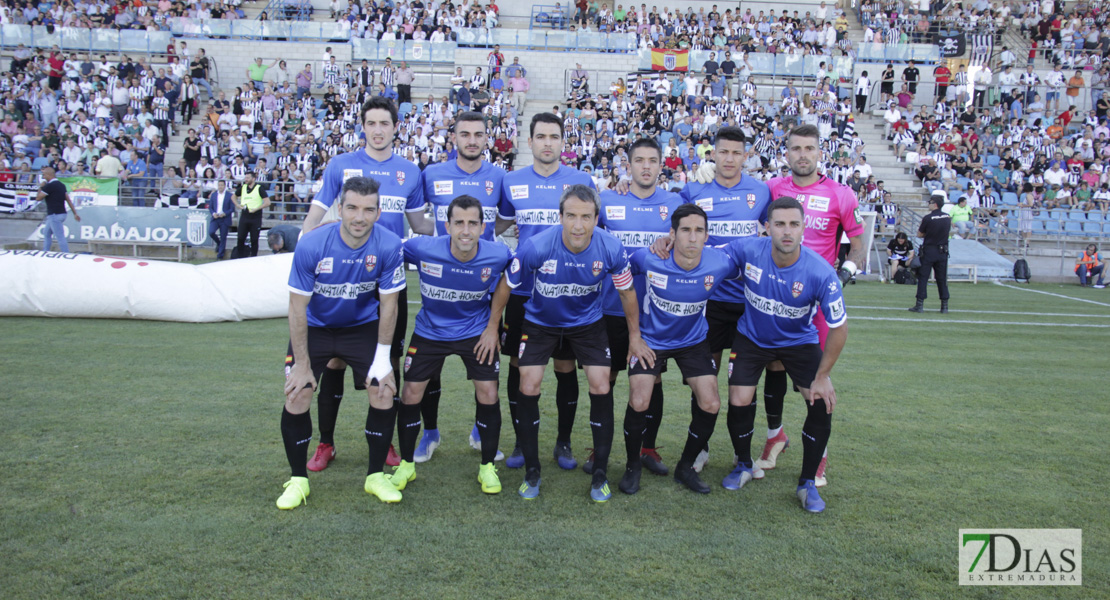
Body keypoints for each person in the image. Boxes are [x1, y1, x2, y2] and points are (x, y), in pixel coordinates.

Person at [300, 97, 434, 473]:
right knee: (334, 362)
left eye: (384, 124)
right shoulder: (340, 167)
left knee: (387, 364)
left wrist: (467, 231)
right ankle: (326, 443)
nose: (378, 130)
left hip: (388, 282)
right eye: (371, 123)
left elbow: (420, 226)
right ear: (363, 126)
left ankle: (385, 441)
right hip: (343, 283)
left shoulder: (410, 171)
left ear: (396, 127)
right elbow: (312, 222)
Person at [501, 184, 652, 502]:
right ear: (561, 217)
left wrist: (635, 338)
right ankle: (532, 471)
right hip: (540, 324)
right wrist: (491, 329)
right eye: (571, 216)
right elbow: (507, 284)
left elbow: (627, 293)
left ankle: (599, 475)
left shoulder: (610, 247)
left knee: (601, 385)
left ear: (597, 218)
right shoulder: (537, 245)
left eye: (586, 217)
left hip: (587, 325)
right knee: (528, 384)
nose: (578, 225)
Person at [276, 176, 406, 509]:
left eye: (367, 209)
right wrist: (302, 364)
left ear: (378, 212)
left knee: (383, 389)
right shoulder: (312, 244)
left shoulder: (389, 245)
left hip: (361, 327)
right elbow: (297, 307)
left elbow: (390, 305)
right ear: (340, 208)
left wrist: (382, 359)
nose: (359, 217)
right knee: (297, 392)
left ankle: (375, 476)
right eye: (351, 208)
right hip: (317, 328)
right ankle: (297, 480)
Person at [652, 126, 771, 474]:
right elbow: (666, 212)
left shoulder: (761, 192)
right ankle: (700, 447)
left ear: (746, 156)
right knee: (706, 375)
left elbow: (777, 227)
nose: (730, 159)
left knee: (743, 383)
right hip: (711, 301)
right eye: (723, 152)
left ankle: (741, 453)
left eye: (737, 153)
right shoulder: (694, 190)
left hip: (751, 300)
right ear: (713, 154)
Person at [718, 196, 848, 513]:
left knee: (821, 401)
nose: (786, 232)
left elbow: (839, 328)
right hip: (752, 337)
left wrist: (823, 376)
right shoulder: (748, 250)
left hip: (798, 341)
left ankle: (807, 483)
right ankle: (744, 464)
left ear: (804, 229)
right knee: (738, 399)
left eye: (793, 224)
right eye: (779, 224)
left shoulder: (821, 272)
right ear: (767, 228)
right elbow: (708, 259)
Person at [763, 124, 864, 486]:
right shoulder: (773, 188)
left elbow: (857, 236)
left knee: (816, 379)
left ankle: (818, 456)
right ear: (786, 153)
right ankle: (775, 435)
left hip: (816, 303)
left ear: (820, 152)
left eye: (809, 148)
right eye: (795, 148)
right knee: (772, 365)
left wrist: (849, 268)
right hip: (774, 297)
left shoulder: (841, 194)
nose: (802, 154)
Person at [496, 112, 597, 471]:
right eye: (541, 137)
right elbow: (501, 223)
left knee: (565, 364)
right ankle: (523, 442)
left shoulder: (580, 181)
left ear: (562, 142)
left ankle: (564, 442)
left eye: (554, 136)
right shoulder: (512, 181)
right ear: (531, 141)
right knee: (519, 363)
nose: (548, 143)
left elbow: (598, 226)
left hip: (569, 290)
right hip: (525, 291)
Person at [394, 195, 514, 496]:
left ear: (483, 227)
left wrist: (492, 327)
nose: (465, 230)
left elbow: (511, 280)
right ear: (446, 225)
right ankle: (406, 464)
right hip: (430, 331)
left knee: (488, 391)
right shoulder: (421, 248)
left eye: (473, 223)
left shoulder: (499, 254)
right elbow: (381, 243)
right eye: (458, 222)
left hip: (476, 332)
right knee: (410, 393)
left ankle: (487, 467)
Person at [414, 112, 509, 462]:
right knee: (428, 370)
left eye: (478, 134)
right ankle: (430, 433)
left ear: (488, 138)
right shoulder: (431, 174)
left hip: (479, 287)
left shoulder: (500, 177)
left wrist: (483, 244)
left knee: (484, 373)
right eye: (464, 134)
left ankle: (480, 432)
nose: (472, 140)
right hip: (439, 283)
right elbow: (415, 217)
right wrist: (438, 244)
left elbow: (507, 217)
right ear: (453, 137)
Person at [623, 204, 737, 495]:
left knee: (711, 402)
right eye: (685, 230)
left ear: (707, 235)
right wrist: (634, 336)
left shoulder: (720, 262)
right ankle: (633, 466)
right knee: (639, 400)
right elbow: (622, 273)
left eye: (699, 230)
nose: (692, 237)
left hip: (693, 341)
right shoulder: (649, 258)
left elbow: (753, 253)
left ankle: (685, 467)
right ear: (672, 234)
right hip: (651, 340)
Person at [594, 138, 683, 477]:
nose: (646, 166)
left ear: (662, 165)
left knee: (653, 379)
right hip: (609, 308)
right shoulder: (608, 199)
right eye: (639, 160)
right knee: (605, 379)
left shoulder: (676, 202)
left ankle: (648, 448)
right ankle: (598, 448)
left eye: (652, 160)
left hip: (654, 312)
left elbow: (690, 234)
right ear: (627, 165)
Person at [909, 194, 952, 313]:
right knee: (942, 279)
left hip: (929, 250)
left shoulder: (928, 218)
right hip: (942, 251)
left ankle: (920, 304)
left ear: (935, 204)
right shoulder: (947, 217)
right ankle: (944, 306)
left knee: (923, 277)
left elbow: (919, 234)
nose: (929, 204)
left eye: (930, 202)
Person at [36, 166, 80, 252]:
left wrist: (41, 187)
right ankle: (45, 250)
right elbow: (68, 199)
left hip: (54, 214)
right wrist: (75, 213)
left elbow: (38, 198)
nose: (43, 177)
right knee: (46, 233)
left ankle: (66, 253)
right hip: (61, 213)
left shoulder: (49, 186)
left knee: (60, 236)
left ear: (49, 175)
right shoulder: (61, 185)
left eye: (44, 175)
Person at [232, 172, 269, 258]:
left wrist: (256, 208)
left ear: (253, 178)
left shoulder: (259, 188)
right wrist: (237, 205)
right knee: (240, 238)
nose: (246, 179)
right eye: (245, 178)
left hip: (255, 216)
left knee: (254, 239)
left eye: (248, 178)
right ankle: (239, 257)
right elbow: (233, 196)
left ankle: (253, 257)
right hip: (245, 215)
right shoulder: (243, 187)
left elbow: (267, 202)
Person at [207, 179, 234, 260]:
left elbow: (232, 208)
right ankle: (219, 244)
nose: (220, 187)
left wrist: (225, 214)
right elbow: (210, 207)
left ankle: (220, 255)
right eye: (219, 185)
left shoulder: (229, 195)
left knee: (223, 237)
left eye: (222, 185)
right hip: (215, 218)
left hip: (224, 218)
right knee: (211, 232)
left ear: (225, 186)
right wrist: (213, 213)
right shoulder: (214, 195)